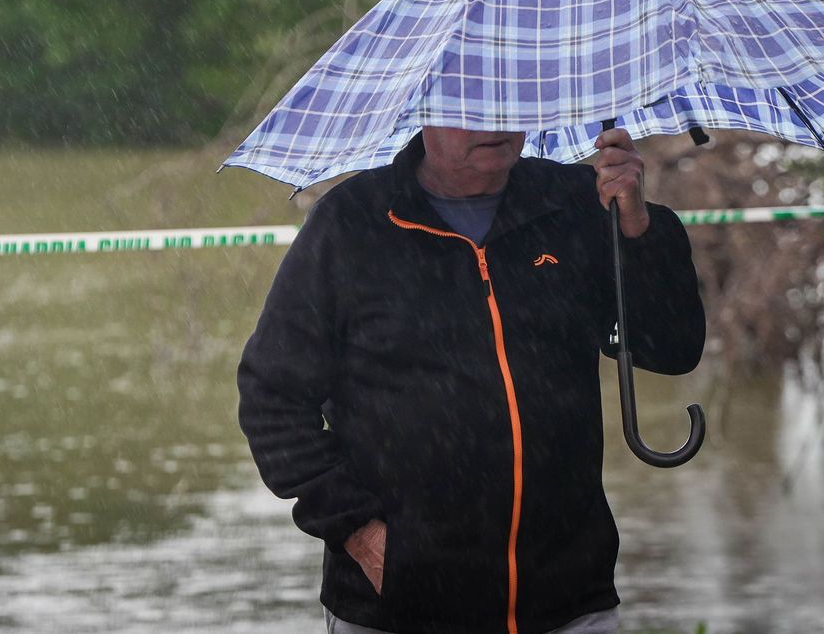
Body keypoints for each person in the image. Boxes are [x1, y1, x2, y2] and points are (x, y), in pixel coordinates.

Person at [237, 126, 705, 634]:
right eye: (471, 106)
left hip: (569, 601)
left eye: (507, 101)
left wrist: (636, 228)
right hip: (401, 609)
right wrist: (358, 532)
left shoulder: (576, 201)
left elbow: (672, 346)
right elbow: (272, 398)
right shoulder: (352, 222)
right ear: (425, 110)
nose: (495, 124)